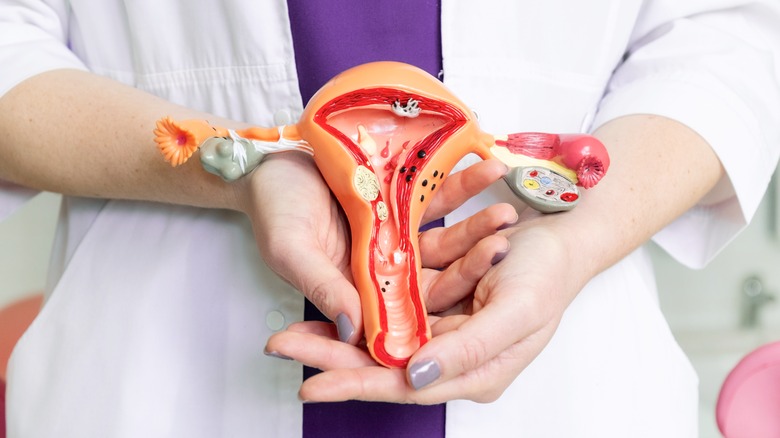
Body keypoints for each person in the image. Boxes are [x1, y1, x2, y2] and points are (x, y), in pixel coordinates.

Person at [1, 1, 779, 437]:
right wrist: (240, 175)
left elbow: (724, 41)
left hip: (566, 387)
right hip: (157, 386)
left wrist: (574, 240)